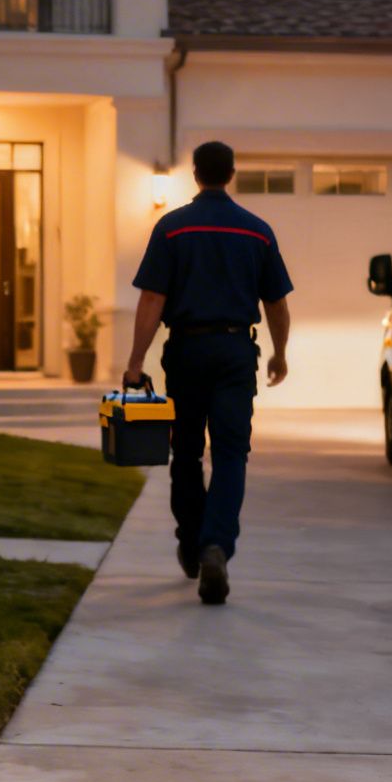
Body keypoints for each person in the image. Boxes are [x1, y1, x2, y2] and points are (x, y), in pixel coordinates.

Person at [122, 140, 292, 606]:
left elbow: (152, 301)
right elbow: (275, 302)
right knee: (232, 453)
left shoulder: (172, 228)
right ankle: (216, 544)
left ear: (196, 174)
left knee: (188, 453)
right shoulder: (257, 231)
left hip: (187, 352)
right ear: (231, 173)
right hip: (237, 351)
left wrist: (136, 362)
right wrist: (279, 353)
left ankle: (192, 541)